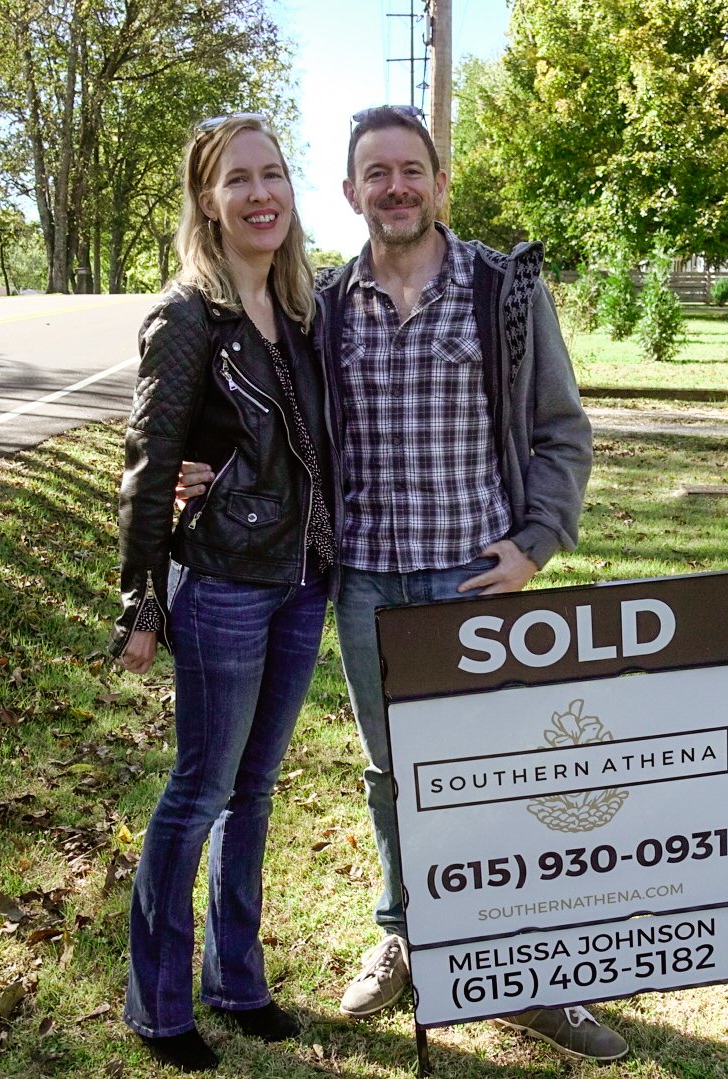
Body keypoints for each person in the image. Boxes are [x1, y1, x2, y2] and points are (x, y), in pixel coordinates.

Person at [180, 105, 626, 1062]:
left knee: (500, 778)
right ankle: (408, 935)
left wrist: (536, 543)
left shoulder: (504, 292)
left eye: (410, 170)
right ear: (349, 194)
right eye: (374, 173)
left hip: (479, 583)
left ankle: (529, 970)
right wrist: (201, 471)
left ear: (439, 182)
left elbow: (562, 430)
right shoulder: (325, 306)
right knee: (393, 776)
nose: (395, 187)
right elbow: (267, 422)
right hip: (368, 584)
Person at [109, 113, 335, 1074]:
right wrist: (142, 599)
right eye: (237, 179)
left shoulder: (303, 309)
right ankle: (158, 1005)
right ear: (208, 200)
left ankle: (237, 982)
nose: (260, 194)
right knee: (198, 791)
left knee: (255, 792)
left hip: (302, 579)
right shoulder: (186, 314)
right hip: (225, 587)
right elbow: (146, 464)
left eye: (273, 174)